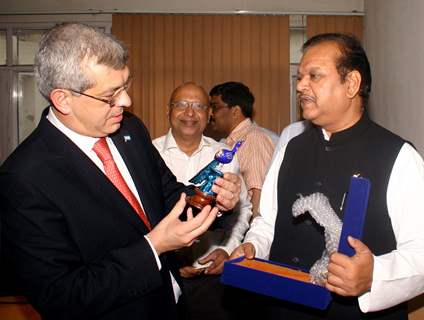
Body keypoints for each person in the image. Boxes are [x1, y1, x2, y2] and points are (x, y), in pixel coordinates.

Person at [0, 23, 241, 320]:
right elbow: (61, 296)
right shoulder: (24, 178)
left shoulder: (129, 129)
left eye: (125, 85)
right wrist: (153, 247)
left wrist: (214, 199)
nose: (126, 101)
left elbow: (169, 196)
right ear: (63, 99)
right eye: (110, 95)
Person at [231, 33, 424, 319]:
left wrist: (374, 275)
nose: (300, 85)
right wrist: (253, 246)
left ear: (352, 84)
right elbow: (268, 221)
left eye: (314, 76)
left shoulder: (399, 156)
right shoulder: (290, 149)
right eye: (300, 76)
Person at [153, 82, 252, 320]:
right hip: (160, 278)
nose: (189, 112)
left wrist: (226, 250)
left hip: (210, 280)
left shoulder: (225, 156)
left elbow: (242, 209)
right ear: (168, 110)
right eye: (182, 105)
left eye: (198, 106)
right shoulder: (149, 153)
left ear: (209, 114)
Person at [209, 82, 275, 218]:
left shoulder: (253, 139)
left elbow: (258, 194)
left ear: (235, 111)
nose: (210, 114)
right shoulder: (228, 143)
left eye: (215, 107)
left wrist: (252, 237)